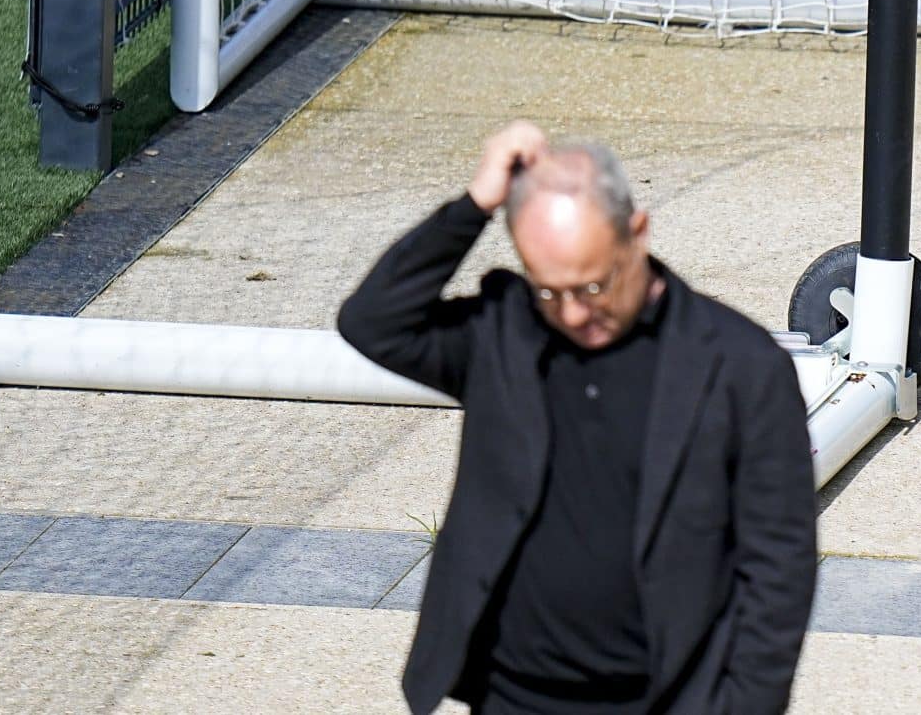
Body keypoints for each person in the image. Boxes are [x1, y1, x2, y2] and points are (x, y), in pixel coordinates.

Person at [337, 122, 816, 715]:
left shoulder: (739, 366)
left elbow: (779, 565)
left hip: (661, 700)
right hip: (511, 695)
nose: (574, 313)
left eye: (593, 285)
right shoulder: (504, 335)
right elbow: (373, 322)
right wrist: (475, 205)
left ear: (636, 234)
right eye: (549, 290)